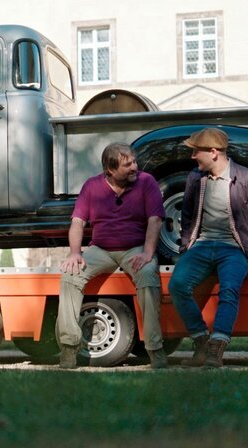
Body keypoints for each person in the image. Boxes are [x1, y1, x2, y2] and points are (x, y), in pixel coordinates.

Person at [168, 127, 248, 368]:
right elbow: (187, 215)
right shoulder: (196, 178)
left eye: (196, 151)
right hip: (202, 246)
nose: (193, 156)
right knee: (177, 285)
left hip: (235, 249)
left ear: (214, 152)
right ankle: (201, 341)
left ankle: (216, 349)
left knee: (229, 290)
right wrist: (186, 247)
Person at [58, 142, 167, 369]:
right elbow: (77, 222)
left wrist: (148, 253)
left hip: (135, 248)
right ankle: (69, 347)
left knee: (148, 275)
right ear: (110, 170)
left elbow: (155, 220)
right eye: (127, 165)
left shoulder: (146, 182)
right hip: (101, 249)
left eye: (134, 162)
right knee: (70, 275)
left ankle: (155, 349)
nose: (134, 167)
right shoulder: (92, 186)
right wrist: (75, 253)